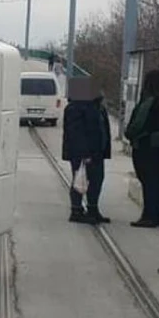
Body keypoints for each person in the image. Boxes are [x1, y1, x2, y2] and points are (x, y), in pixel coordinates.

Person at [124, 70, 159, 227]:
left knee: (148, 182)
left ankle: (149, 216)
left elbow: (137, 125)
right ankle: (158, 214)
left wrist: (129, 135)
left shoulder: (148, 103)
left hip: (146, 148)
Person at [62, 75, 111, 224]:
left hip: (96, 151)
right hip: (83, 153)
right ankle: (76, 210)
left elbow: (101, 129)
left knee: (96, 180)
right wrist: (84, 153)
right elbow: (76, 133)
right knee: (81, 179)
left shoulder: (96, 107)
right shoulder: (75, 108)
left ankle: (92, 209)